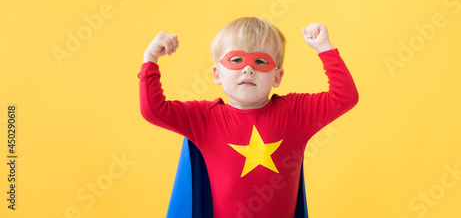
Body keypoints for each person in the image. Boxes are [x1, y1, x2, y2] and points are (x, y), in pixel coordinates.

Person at [138, 17, 359, 218]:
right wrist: (151, 58)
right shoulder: (205, 118)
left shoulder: (294, 113)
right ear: (217, 74)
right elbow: (153, 109)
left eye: (261, 62)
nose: (248, 69)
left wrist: (324, 48)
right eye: (236, 59)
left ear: (277, 77)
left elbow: (344, 97)